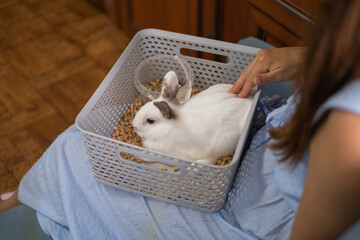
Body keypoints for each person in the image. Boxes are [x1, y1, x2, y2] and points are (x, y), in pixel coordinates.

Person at [1, 0, 359, 239]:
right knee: (84, 134)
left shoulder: (347, 137)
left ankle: (21, 200)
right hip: (262, 140)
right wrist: (308, 57)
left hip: (240, 215)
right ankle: (25, 196)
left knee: (71, 151)